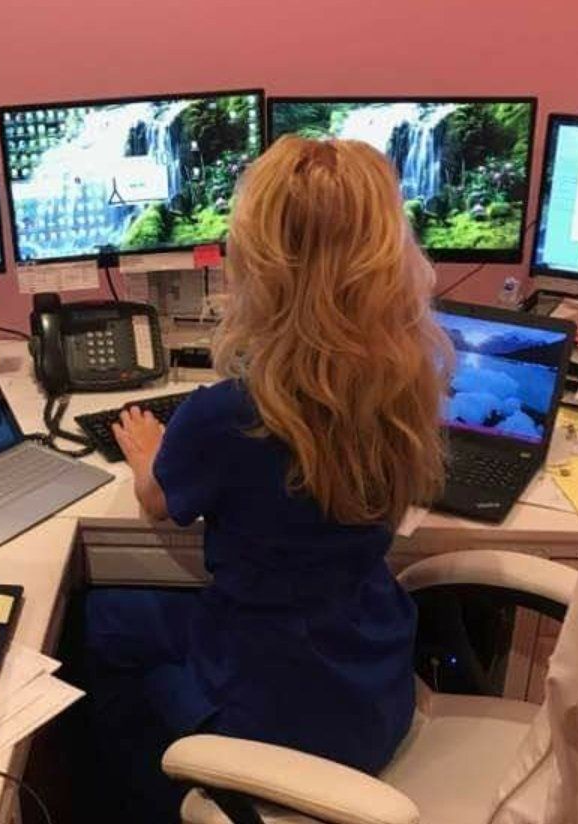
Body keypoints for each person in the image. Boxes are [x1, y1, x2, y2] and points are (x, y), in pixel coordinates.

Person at [84, 136, 450, 822]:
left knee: (104, 618)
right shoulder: (409, 384)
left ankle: (147, 799)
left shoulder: (227, 412)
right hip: (372, 687)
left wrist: (143, 451)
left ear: (255, 264)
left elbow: (160, 506)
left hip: (277, 709)